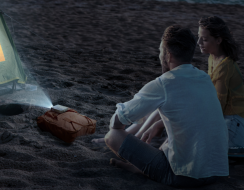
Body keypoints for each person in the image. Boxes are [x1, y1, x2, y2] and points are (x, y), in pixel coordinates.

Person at [93, 25, 229, 187]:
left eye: (160, 52)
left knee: (112, 135)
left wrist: (120, 126)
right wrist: (158, 123)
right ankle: (140, 167)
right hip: (216, 172)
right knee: (172, 135)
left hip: (183, 177)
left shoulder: (164, 83)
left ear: (168, 55)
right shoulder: (204, 79)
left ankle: (143, 169)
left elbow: (118, 120)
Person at [197, 16, 244, 150]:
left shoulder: (225, 66)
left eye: (204, 39)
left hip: (234, 121)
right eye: (199, 37)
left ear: (218, 40)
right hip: (224, 116)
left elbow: (218, 107)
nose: (198, 42)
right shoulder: (212, 57)